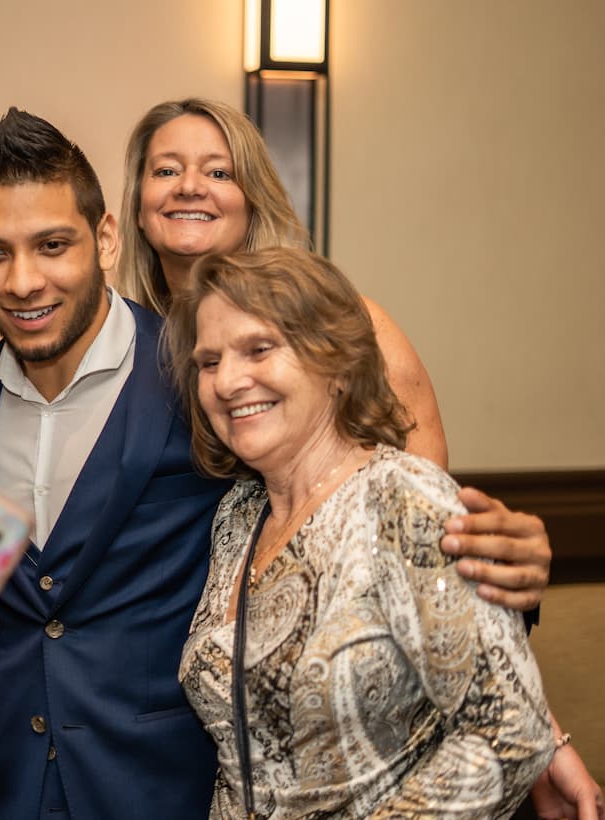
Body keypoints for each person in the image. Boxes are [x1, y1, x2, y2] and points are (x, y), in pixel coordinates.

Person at [117, 97, 552, 613]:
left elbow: (424, 514)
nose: (189, 185)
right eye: (166, 169)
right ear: (139, 210)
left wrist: (506, 559)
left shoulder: (348, 323)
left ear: (253, 200)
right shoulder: (129, 351)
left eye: (219, 171)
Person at [166, 247, 557, 817]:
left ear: (338, 364)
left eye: (259, 349)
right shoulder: (237, 517)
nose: (227, 381)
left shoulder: (404, 499)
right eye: (208, 361)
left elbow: (511, 731)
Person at [0, 107, 229, 819]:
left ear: (103, 239)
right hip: (1, 793)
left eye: (52, 245)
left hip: (156, 787)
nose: (24, 282)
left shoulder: (196, 375)